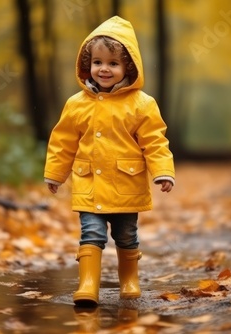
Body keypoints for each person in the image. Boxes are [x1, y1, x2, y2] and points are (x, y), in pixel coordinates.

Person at [44, 16, 175, 306]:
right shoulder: (76, 104)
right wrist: (55, 173)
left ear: (128, 67)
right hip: (89, 184)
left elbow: (155, 141)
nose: (104, 69)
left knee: (126, 234)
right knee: (91, 232)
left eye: (113, 64)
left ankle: (129, 280)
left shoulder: (142, 104)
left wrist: (163, 171)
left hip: (126, 184)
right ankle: (88, 284)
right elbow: (63, 141)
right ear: (87, 64)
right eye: (98, 62)